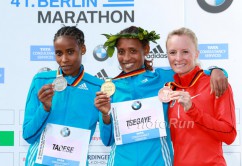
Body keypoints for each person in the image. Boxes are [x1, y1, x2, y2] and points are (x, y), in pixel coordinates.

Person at [94, 26, 228, 166]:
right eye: (121, 52)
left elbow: (198, 74)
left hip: (158, 161)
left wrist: (217, 70)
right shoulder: (110, 88)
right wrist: (105, 115)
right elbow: (107, 140)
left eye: (133, 51)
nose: (126, 57)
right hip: (120, 162)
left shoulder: (164, 78)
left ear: (146, 50)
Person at [22, 25, 102, 166]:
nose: (64, 59)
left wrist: (107, 115)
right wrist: (44, 108)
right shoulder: (41, 81)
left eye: (70, 52)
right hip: (39, 162)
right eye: (59, 53)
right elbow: (27, 135)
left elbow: (108, 137)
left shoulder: (98, 87)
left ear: (82, 49)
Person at [166, 27, 236, 165]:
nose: (178, 58)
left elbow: (229, 135)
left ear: (196, 54)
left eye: (185, 52)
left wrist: (193, 111)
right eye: (173, 52)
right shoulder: (168, 89)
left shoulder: (216, 83)